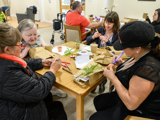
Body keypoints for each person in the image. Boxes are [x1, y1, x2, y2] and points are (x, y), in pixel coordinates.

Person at [90, 21, 160, 120]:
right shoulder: (141, 53)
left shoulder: (148, 69)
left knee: (94, 118)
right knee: (99, 101)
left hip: (140, 110)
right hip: (128, 97)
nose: (121, 50)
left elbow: (131, 104)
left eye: (124, 47)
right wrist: (122, 64)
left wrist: (113, 78)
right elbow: (134, 69)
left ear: (137, 48)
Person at [0, 23, 67, 120]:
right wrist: (52, 70)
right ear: (7, 49)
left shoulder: (5, 61)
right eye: (19, 44)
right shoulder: (7, 73)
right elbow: (39, 90)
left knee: (48, 96)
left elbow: (22, 63)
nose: (21, 47)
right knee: (57, 106)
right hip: (16, 113)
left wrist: (41, 62)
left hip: (12, 103)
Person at [17, 19, 67, 98]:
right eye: (29, 35)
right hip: (26, 61)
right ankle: (49, 87)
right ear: (20, 34)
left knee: (50, 66)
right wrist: (24, 52)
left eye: (35, 34)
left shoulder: (36, 33)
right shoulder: (17, 42)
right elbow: (16, 58)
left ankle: (53, 87)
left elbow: (42, 42)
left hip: (38, 56)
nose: (33, 37)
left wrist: (47, 47)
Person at [87, 11, 120, 93]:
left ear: (115, 24)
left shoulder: (117, 33)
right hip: (99, 55)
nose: (107, 25)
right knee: (93, 65)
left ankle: (102, 81)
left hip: (110, 57)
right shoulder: (101, 30)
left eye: (110, 23)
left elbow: (116, 49)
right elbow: (87, 41)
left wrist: (107, 41)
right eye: (106, 22)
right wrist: (93, 37)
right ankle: (96, 82)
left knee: (105, 67)